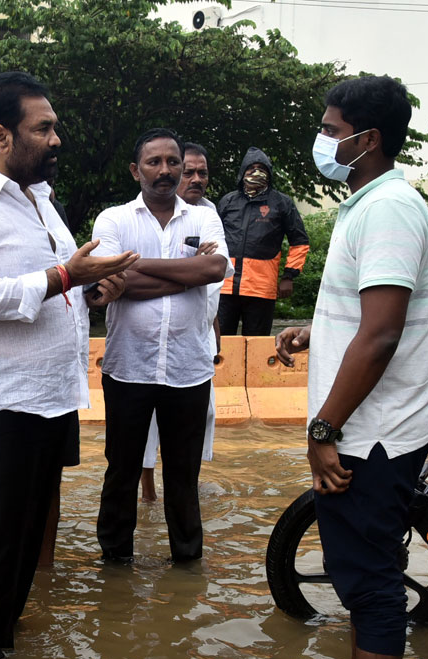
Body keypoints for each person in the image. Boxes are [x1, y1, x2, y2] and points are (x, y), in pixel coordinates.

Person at [0, 71, 136, 659]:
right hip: (0, 403)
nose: (56, 139)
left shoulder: (40, 201)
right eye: (44, 128)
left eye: (55, 127)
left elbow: (57, 287)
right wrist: (69, 276)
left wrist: (94, 290)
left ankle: (5, 653)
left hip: (50, 396)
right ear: (3, 137)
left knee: (26, 538)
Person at [275, 75, 428, 659]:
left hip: (368, 437)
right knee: (360, 577)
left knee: (371, 587)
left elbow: (381, 335)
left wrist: (324, 427)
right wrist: (317, 331)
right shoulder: (367, 204)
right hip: (363, 429)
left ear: (366, 140)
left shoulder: (389, 208)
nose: (322, 139)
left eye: (330, 129)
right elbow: (370, 314)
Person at [92, 129, 228, 565]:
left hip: (189, 368)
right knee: (122, 470)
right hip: (128, 366)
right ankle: (115, 565)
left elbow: (214, 268)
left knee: (185, 476)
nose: (165, 170)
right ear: (136, 170)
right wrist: (185, 271)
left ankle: (187, 566)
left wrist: (134, 267)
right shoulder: (113, 219)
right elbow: (110, 280)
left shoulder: (204, 217)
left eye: (173, 161)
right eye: (154, 162)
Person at [140, 142, 229, 503]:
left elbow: (216, 279)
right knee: (146, 424)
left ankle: (184, 487)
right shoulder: (140, 218)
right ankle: (147, 493)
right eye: (188, 171)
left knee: (200, 418)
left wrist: (216, 332)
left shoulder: (209, 216)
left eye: (201, 173)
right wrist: (194, 272)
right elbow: (123, 279)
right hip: (147, 343)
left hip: (198, 340)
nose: (195, 179)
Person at [217, 147, 310, 336]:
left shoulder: (281, 203)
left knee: (256, 348)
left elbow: (299, 241)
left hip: (261, 289)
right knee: (220, 348)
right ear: (243, 171)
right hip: (225, 287)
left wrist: (289, 276)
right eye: (251, 168)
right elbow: (212, 238)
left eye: (262, 168)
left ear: (269, 172)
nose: (256, 172)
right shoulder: (228, 201)